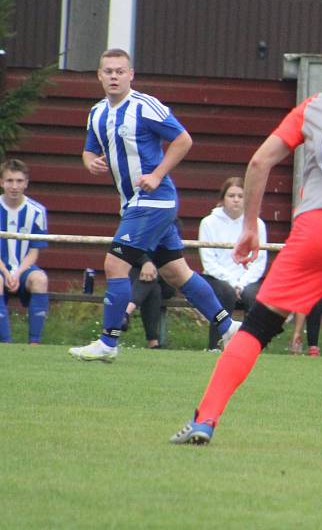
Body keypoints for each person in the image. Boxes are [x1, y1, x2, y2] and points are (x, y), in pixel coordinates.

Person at [170, 37, 322, 453]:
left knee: (258, 326)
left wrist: (250, 225)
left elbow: (259, 162)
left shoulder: (313, 106)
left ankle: (206, 418)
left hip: (314, 230)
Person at [69, 48, 240, 362]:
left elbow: (183, 139)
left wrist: (158, 174)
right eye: (108, 71)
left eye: (120, 71)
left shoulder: (145, 106)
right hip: (134, 202)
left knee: (115, 265)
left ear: (131, 74)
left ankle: (108, 343)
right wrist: (90, 162)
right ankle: (228, 327)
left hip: (154, 201)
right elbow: (89, 150)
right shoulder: (97, 113)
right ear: (99, 75)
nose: (114, 76)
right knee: (176, 272)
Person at [199, 177, 267, 350]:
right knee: (226, 293)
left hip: (247, 279)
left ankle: (253, 346)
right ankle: (216, 345)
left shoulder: (257, 224)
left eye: (240, 196)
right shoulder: (208, 222)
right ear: (223, 198)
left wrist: (242, 284)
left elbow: (259, 262)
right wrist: (232, 283)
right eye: (231, 195)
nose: (236, 200)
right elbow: (208, 261)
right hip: (216, 278)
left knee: (255, 297)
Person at [0, 159, 49, 344]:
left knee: (40, 279)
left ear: (26, 183)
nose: (14, 186)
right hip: (1, 269)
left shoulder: (37, 211)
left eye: (19, 181)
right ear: (1, 182)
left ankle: (34, 343)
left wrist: (17, 273)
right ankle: (6, 343)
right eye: (10, 181)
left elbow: (35, 250)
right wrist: (6, 273)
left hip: (24, 268)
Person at [123, 258, 176, 348]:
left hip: (166, 281)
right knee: (154, 289)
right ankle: (153, 343)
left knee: (150, 273)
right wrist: (146, 262)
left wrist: (148, 264)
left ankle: (126, 312)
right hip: (141, 279)